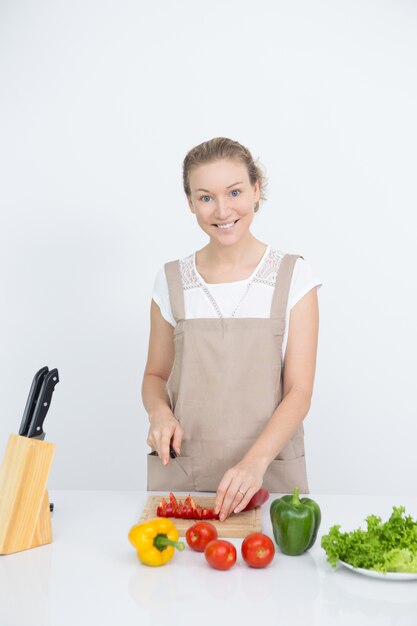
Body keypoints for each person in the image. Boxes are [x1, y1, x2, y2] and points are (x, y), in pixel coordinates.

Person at [142, 137, 322, 522]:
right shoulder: (171, 279)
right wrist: (159, 414)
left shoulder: (294, 276)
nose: (222, 210)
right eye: (205, 197)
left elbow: (299, 392)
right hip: (186, 473)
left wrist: (253, 464)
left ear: (256, 191)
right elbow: (155, 375)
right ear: (190, 203)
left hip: (268, 474)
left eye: (235, 191)